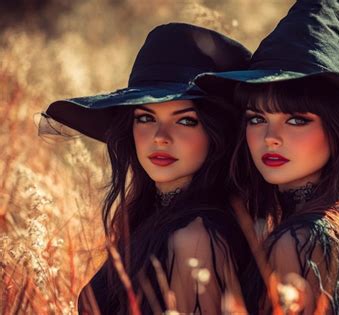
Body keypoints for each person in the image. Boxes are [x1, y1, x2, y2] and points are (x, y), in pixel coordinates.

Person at [195, 0, 339, 314]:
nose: (270, 137)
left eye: (297, 119)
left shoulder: (298, 241)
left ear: (338, 131)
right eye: (256, 118)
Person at [40, 23, 253, 314]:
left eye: (186, 120)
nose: (160, 137)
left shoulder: (197, 237)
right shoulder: (151, 215)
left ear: (217, 134)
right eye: (145, 118)